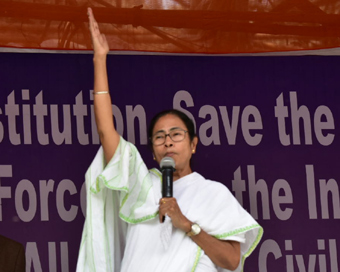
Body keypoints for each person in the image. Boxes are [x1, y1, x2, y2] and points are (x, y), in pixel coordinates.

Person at [76, 7, 263, 272]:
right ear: (153, 152)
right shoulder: (142, 186)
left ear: (193, 144)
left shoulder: (212, 193)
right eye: (159, 137)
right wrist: (99, 59)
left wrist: (187, 224)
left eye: (176, 134)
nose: (168, 142)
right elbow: (107, 132)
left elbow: (232, 261)